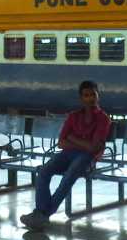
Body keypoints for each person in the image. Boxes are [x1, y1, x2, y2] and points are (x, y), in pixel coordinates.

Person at [20, 80, 111, 230]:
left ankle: (43, 214)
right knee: (43, 172)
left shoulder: (103, 119)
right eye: (86, 95)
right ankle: (41, 214)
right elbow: (61, 143)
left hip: (88, 158)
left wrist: (72, 139)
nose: (90, 99)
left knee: (68, 177)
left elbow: (93, 148)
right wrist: (83, 143)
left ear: (98, 96)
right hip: (68, 154)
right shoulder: (73, 116)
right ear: (81, 98)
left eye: (93, 95)